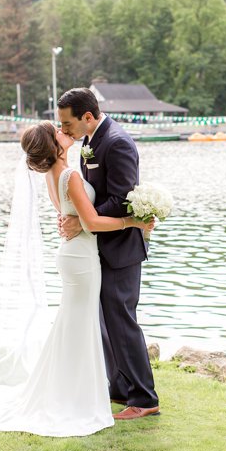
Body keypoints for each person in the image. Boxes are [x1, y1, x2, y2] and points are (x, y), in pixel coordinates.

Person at [0, 121, 153, 436]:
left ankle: (78, 389)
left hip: (74, 255)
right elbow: (93, 222)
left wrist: (78, 222)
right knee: (79, 323)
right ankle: (76, 394)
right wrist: (135, 222)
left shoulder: (53, 175)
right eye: (58, 130)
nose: (65, 131)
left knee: (75, 324)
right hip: (82, 259)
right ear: (53, 144)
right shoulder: (70, 176)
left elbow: (72, 216)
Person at [57, 87, 160, 419]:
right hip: (101, 245)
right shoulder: (89, 142)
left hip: (122, 247)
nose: (63, 130)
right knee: (106, 321)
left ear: (87, 117)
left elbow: (122, 199)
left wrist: (84, 222)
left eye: (67, 123)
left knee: (122, 321)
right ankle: (119, 389)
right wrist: (82, 219)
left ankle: (145, 399)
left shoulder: (117, 143)